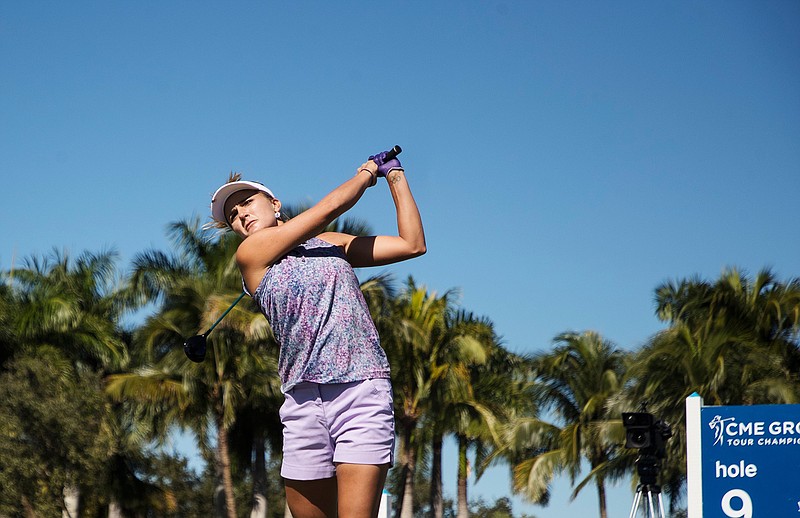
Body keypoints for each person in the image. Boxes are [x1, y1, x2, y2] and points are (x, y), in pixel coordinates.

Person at [209, 149, 426, 518]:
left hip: (361, 390)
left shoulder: (331, 244)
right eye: (233, 215)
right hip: (303, 402)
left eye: (247, 203)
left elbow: (412, 244)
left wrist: (394, 176)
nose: (241, 215)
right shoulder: (252, 255)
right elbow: (326, 208)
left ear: (274, 204)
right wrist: (365, 172)